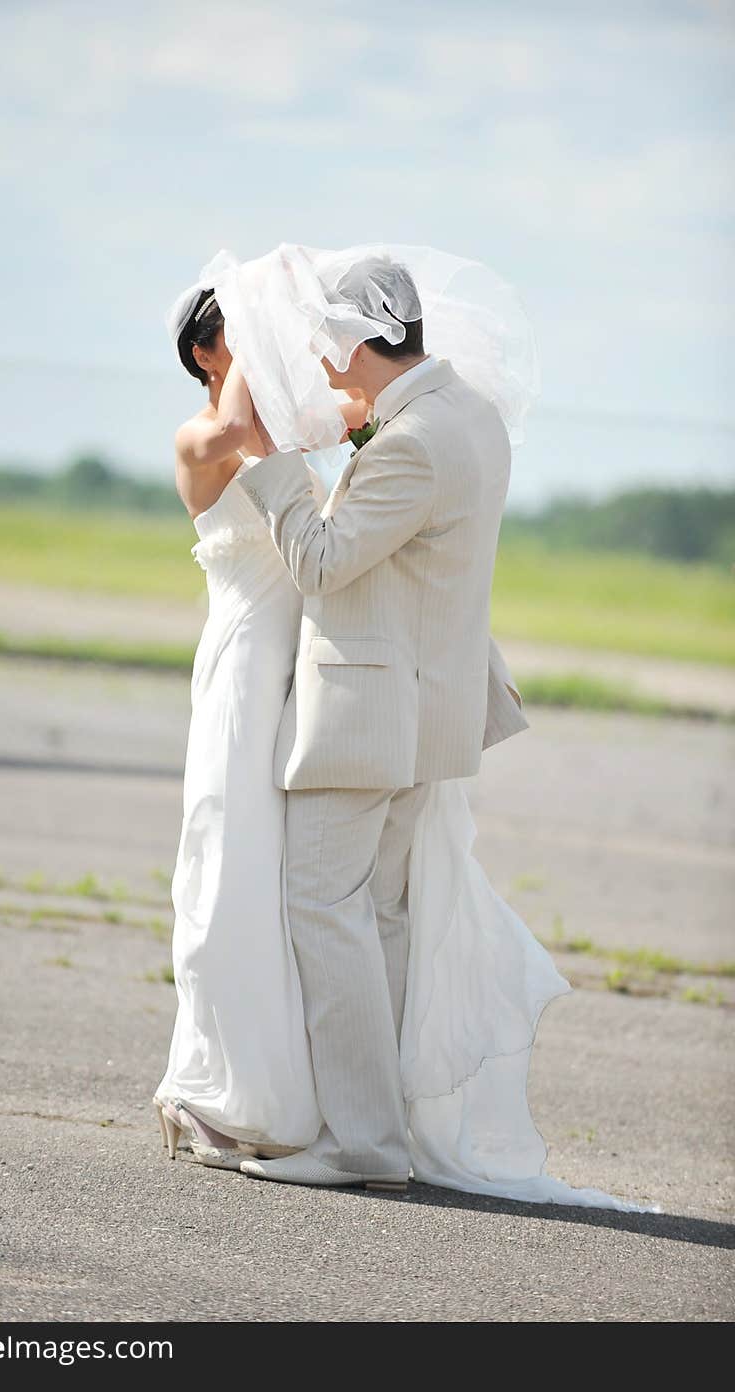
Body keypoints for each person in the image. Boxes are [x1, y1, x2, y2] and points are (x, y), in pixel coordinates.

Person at [153, 254, 659, 1213]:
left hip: (370, 712)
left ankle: (361, 1143)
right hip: (422, 709)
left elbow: (322, 560)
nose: (321, 363)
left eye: (327, 345)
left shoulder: (415, 441)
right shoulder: (466, 415)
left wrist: (277, 467)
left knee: (322, 906)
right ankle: (372, 1126)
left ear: (358, 337)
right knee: (374, 918)